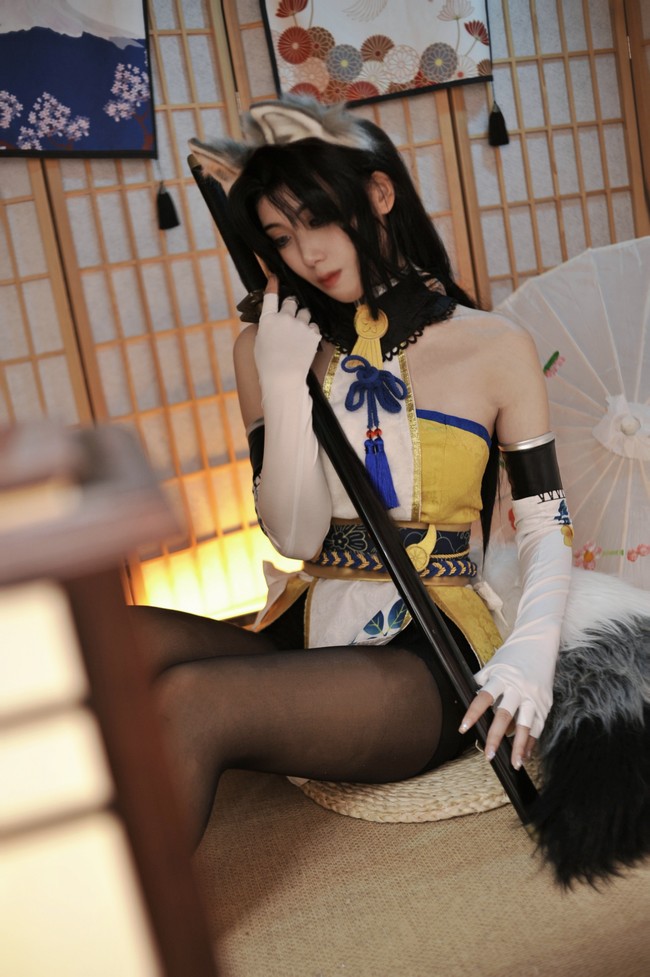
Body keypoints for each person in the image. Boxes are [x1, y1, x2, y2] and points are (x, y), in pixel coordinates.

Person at [132, 99, 648, 885]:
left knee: (192, 700)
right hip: (314, 615)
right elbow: (296, 538)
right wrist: (281, 378)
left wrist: (530, 652)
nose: (306, 252)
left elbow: (546, 527)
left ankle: (126, 929)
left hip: (429, 649)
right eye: (280, 236)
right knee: (105, 638)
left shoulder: (493, 346)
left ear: (378, 194)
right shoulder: (269, 348)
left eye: (317, 219)